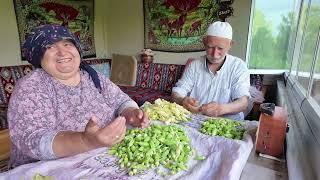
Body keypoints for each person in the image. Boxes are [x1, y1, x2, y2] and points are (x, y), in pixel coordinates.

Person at [7, 24, 149, 167]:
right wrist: (85, 141)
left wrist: (131, 112)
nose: (62, 53)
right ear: (39, 56)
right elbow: (31, 139)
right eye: (50, 47)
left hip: (106, 157)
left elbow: (120, 100)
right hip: (55, 169)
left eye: (67, 44)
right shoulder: (32, 86)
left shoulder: (92, 76)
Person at [171, 21, 250, 120]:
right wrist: (182, 100)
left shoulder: (238, 66)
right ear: (204, 42)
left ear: (230, 45)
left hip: (228, 123)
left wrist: (221, 109)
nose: (214, 54)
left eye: (220, 48)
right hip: (195, 121)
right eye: (210, 47)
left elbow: (243, 103)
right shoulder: (194, 66)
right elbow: (177, 93)